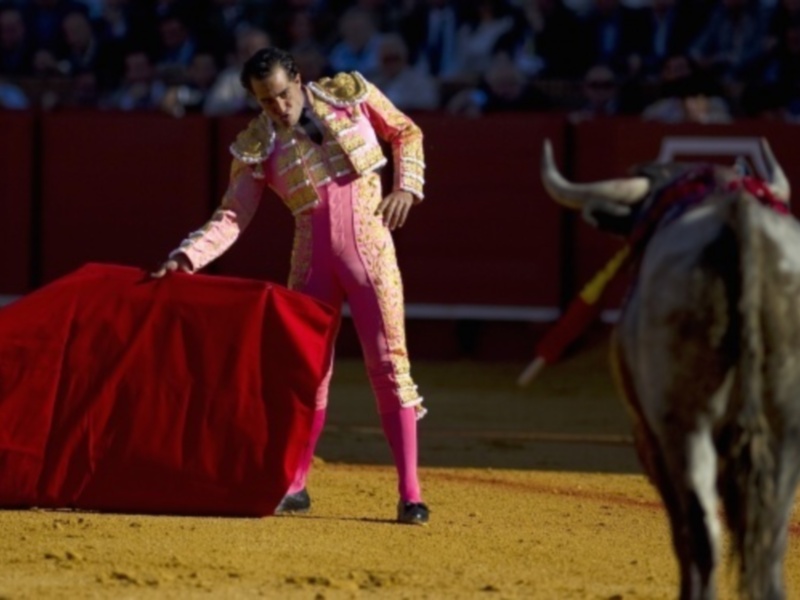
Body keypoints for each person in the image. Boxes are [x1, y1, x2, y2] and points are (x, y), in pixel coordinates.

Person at [152, 46, 430, 526]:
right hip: (312, 265)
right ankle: (296, 484)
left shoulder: (353, 95)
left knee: (389, 367)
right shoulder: (259, 144)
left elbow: (406, 132)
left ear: (298, 79)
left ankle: (410, 493)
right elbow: (233, 215)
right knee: (306, 376)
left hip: (373, 255)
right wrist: (187, 255)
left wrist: (406, 186)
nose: (279, 107)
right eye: (266, 101)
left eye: (282, 94)